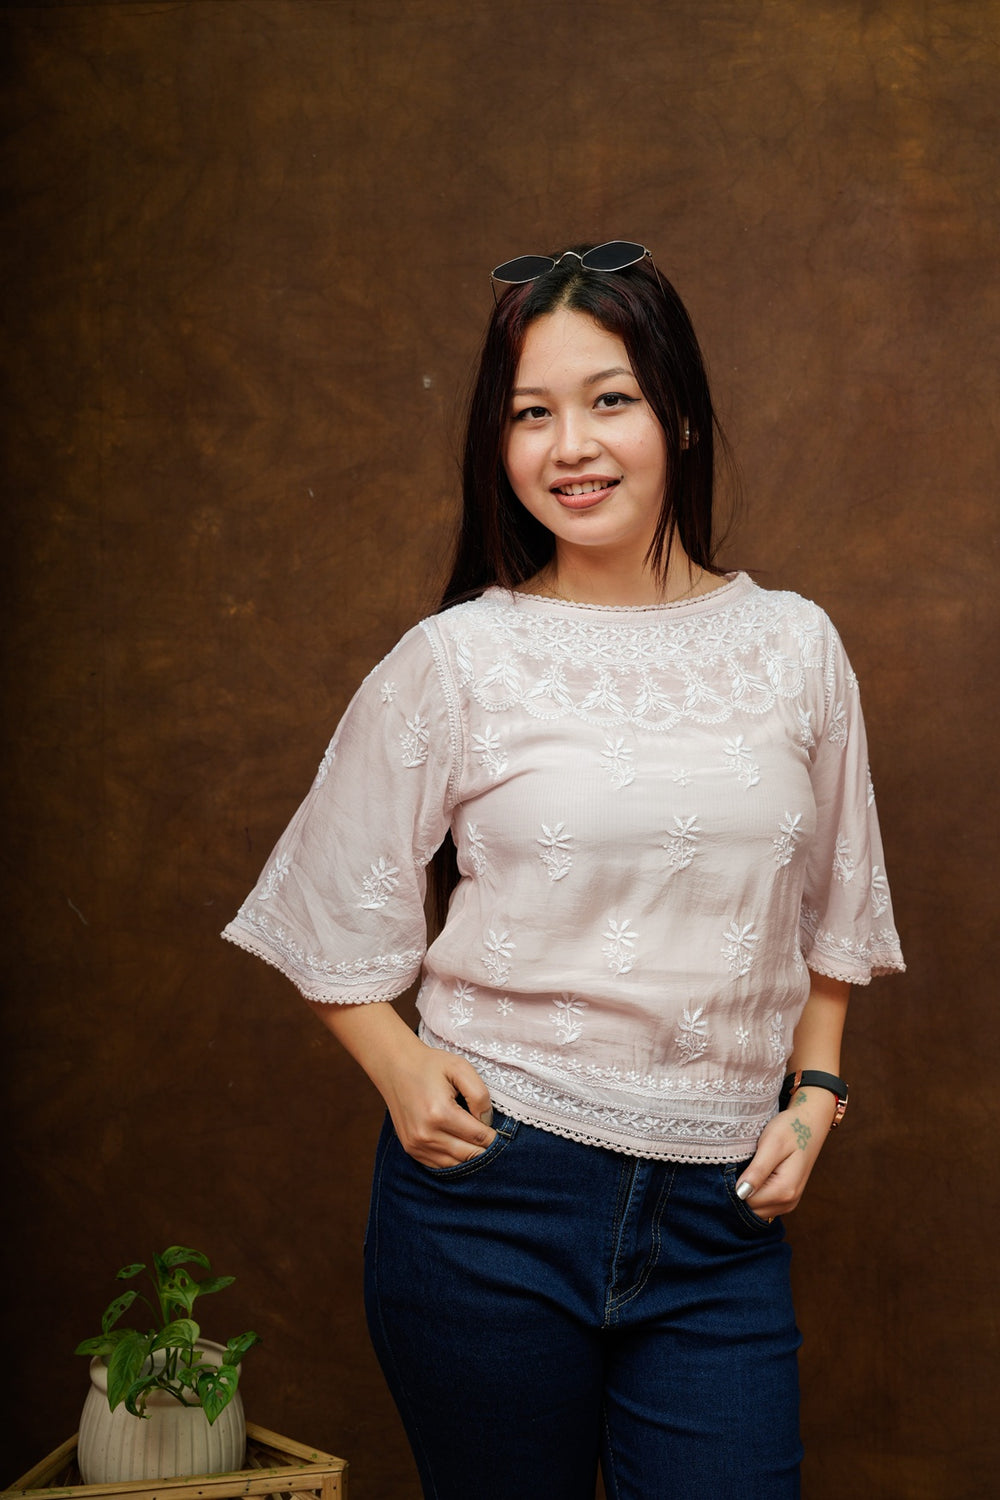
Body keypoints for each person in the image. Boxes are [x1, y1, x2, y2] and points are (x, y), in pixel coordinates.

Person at [223, 240, 904, 1500]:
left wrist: (815, 1096)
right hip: (491, 1201)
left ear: (678, 415)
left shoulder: (794, 646)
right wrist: (399, 1067)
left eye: (609, 400)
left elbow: (837, 910)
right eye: (531, 413)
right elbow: (321, 907)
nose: (570, 446)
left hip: (721, 1218)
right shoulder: (457, 659)